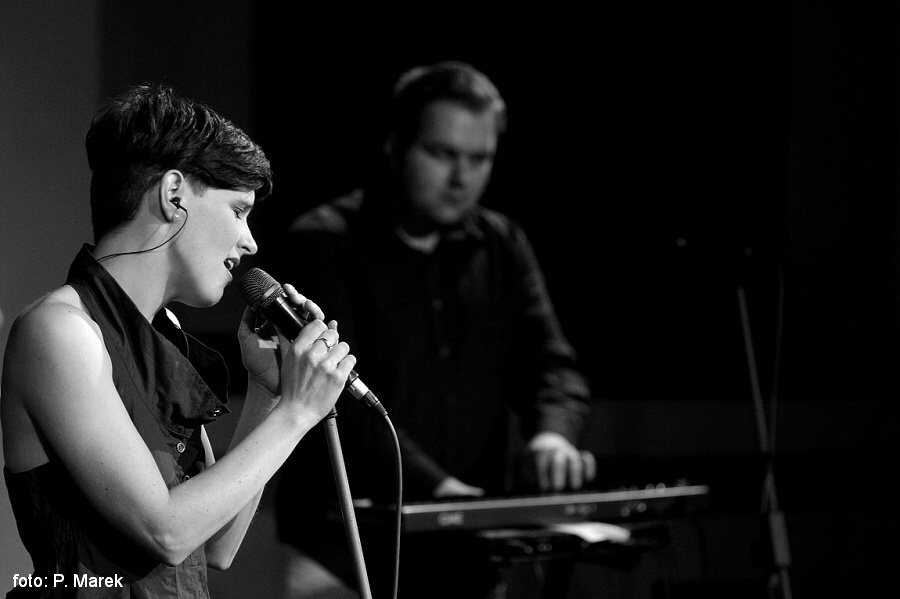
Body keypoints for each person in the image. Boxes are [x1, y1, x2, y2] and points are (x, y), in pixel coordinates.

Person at [0, 83, 357, 598]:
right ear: (173, 195)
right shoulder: (59, 331)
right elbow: (166, 532)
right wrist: (297, 412)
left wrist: (267, 392)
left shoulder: (162, 335)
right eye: (238, 211)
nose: (250, 242)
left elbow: (216, 546)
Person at [269, 61, 597, 599]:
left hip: (467, 548)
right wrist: (440, 489)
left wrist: (551, 435)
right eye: (443, 154)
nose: (462, 177)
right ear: (395, 145)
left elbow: (551, 366)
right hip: (346, 548)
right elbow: (337, 392)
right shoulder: (325, 242)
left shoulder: (502, 245)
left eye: (479, 159)